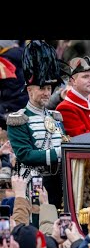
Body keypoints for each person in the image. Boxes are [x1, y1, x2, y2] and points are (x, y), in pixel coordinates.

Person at [7, 41, 68, 208]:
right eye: (42, 88)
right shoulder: (18, 119)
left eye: (49, 88)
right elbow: (25, 155)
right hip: (34, 182)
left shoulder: (56, 117)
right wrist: (59, 152)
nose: (47, 93)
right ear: (29, 90)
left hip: (59, 181)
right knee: (39, 222)